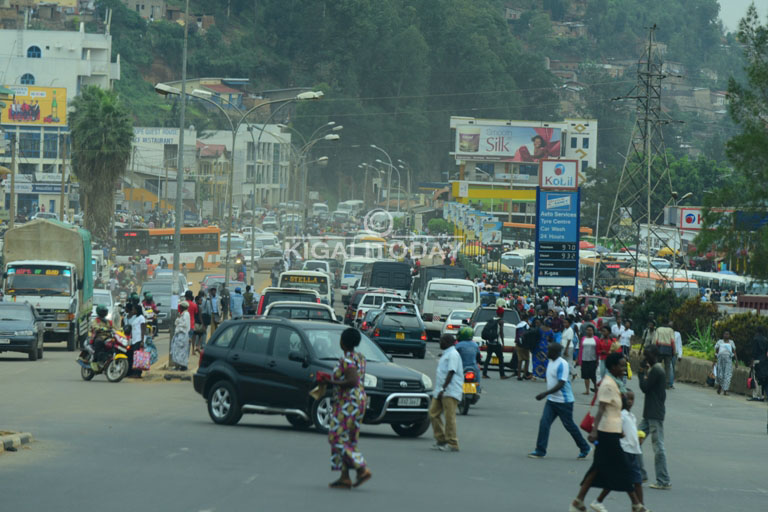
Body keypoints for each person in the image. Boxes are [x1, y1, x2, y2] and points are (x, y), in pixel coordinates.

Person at [570, 353, 646, 512]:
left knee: (598, 468)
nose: (624, 369)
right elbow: (602, 409)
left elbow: (614, 411)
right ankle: (636, 504)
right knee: (622, 467)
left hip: (612, 431)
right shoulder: (608, 384)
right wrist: (594, 431)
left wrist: (620, 431)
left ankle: (579, 500)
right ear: (613, 367)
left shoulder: (616, 384)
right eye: (621, 365)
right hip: (605, 433)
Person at [321, 328, 372, 489]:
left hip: (348, 403)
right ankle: (344, 477)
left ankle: (361, 467)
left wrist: (331, 382)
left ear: (342, 342)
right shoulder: (360, 357)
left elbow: (352, 381)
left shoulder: (347, 360)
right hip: (358, 400)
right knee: (349, 439)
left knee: (335, 437)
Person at [528, 343, 591, 459]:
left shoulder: (562, 364)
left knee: (569, 426)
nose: (547, 353)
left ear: (556, 353)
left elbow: (561, 384)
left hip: (564, 402)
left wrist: (544, 393)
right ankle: (540, 450)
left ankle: (584, 447)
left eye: (549, 351)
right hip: (552, 401)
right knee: (544, 423)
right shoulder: (551, 362)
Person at [591, 390, 647, 512]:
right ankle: (599, 501)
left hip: (633, 452)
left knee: (636, 481)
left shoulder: (632, 416)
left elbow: (631, 433)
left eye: (632, 399)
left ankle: (640, 506)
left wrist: (638, 440)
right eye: (628, 398)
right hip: (623, 451)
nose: (630, 401)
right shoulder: (620, 415)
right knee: (623, 480)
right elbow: (613, 429)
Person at [637, 345, 671, 490]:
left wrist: (641, 374)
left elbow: (645, 387)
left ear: (654, 355)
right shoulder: (655, 369)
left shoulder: (656, 370)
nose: (645, 358)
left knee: (658, 447)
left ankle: (663, 480)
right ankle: (640, 473)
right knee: (634, 441)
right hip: (650, 412)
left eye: (647, 355)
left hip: (654, 413)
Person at [430, 334, 464, 452]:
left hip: (449, 391)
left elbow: (451, 372)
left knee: (450, 417)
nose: (440, 343)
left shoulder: (453, 354)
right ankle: (441, 439)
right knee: (433, 413)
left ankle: (453, 443)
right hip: (441, 390)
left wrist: (443, 389)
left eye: (441, 341)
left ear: (447, 342)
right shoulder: (447, 353)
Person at [652, 320, 676, 389]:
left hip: (659, 348)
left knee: (657, 365)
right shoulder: (671, 330)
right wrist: (674, 351)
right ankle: (667, 384)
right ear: (668, 324)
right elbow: (672, 341)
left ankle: (656, 381)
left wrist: (654, 350)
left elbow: (655, 341)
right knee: (667, 367)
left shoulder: (658, 329)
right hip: (668, 350)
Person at [126, 303, 146, 378]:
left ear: (137, 310)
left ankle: (137, 373)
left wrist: (142, 341)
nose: (133, 310)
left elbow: (143, 329)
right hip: (134, 340)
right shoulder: (136, 318)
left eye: (134, 309)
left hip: (138, 339)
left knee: (137, 357)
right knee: (134, 356)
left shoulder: (141, 318)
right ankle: (133, 372)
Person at [577, 325, 599, 395]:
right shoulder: (583, 338)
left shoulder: (596, 339)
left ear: (593, 331)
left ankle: (596, 387)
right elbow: (580, 349)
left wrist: (598, 360)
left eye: (590, 330)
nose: (589, 331)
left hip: (593, 359)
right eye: (588, 330)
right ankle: (587, 390)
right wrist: (578, 359)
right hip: (584, 359)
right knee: (585, 375)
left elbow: (598, 349)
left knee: (593, 375)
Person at [714, 330, 737, 396]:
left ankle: (725, 390)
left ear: (729, 335)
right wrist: (714, 361)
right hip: (720, 360)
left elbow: (734, 352)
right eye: (725, 334)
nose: (726, 335)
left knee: (727, 375)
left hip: (728, 361)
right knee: (720, 375)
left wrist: (736, 361)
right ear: (723, 335)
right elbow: (716, 352)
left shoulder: (731, 343)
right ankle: (720, 386)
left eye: (727, 334)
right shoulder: (719, 342)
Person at [170, 301, 191, 371]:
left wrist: (179, 322)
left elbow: (184, 324)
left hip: (182, 334)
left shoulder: (186, 314)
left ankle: (183, 366)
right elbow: (176, 322)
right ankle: (178, 365)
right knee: (177, 351)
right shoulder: (182, 314)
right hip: (179, 335)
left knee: (181, 351)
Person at [751, 326, 768, 406]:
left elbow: (754, 352)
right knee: (762, 379)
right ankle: (762, 396)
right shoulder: (765, 340)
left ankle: (756, 395)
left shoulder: (755, 339)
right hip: (764, 361)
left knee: (755, 378)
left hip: (757, 360)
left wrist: (752, 361)